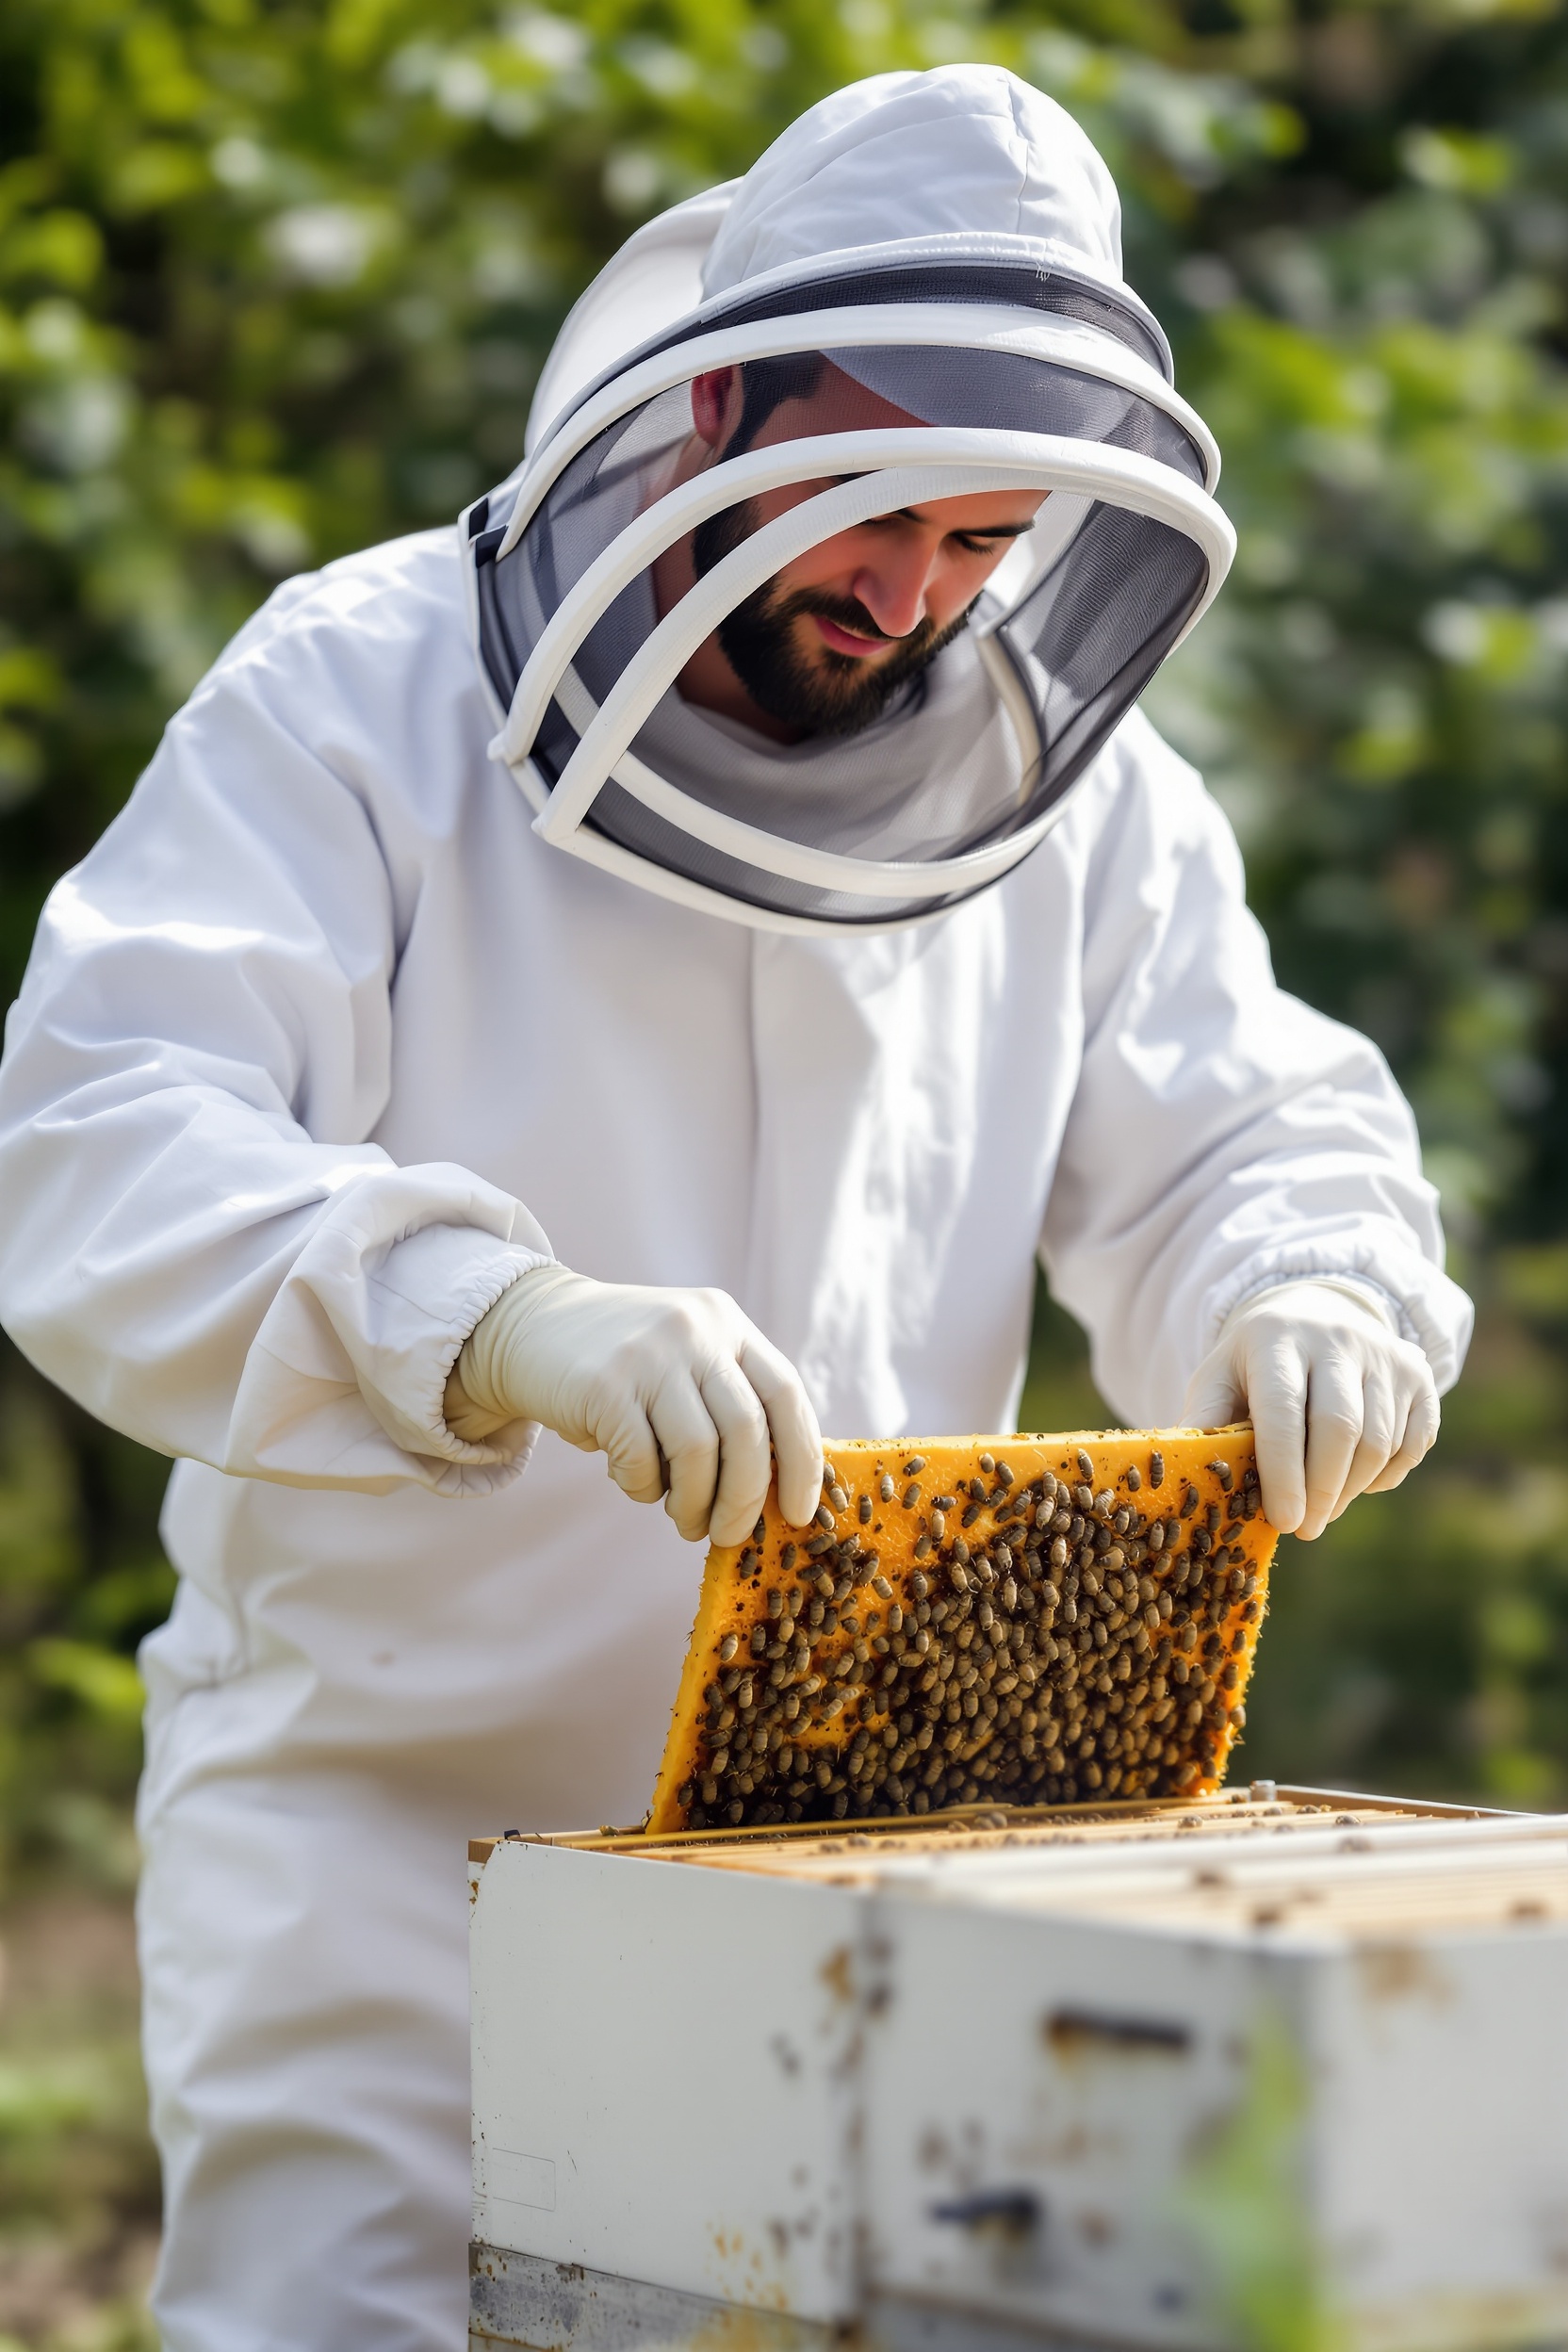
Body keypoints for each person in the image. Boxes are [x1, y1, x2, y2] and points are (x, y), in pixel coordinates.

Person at [0, 62, 1469, 2352]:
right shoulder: (360, 694)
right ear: (716, 408)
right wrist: (489, 1322)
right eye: (868, 508)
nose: (910, 595)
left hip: (865, 1862)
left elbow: (1238, 1129)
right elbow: (99, 1136)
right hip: (384, 1859)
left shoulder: (1073, 802)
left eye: (980, 542)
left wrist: (1310, 1286)